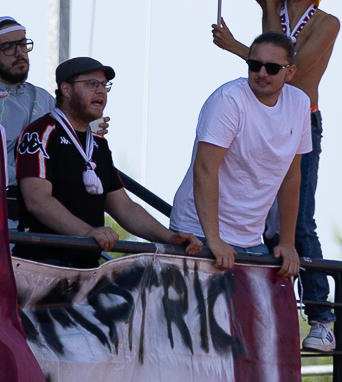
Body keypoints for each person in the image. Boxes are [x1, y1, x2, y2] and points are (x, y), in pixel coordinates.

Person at [210, 0, 341, 350]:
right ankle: (269, 309)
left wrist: (237, 49)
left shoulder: (327, 23)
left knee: (297, 221)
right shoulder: (272, 2)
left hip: (299, 121)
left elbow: (295, 73)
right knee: (259, 221)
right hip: (257, 116)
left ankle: (321, 320)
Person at [14, 56, 202, 270]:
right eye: (92, 84)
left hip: (86, 268)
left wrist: (169, 237)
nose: (101, 91)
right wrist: (87, 232)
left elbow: (124, 207)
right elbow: (37, 200)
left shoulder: (98, 144)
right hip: (43, 265)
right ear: (66, 89)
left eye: (104, 85)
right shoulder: (40, 132)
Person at [169, 32, 310, 283]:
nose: (262, 73)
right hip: (200, 234)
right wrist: (213, 239)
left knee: (249, 321)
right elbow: (204, 168)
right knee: (197, 321)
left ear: (290, 73)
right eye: (254, 65)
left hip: (251, 240)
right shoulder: (229, 99)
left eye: (272, 67)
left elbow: (292, 176)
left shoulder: (299, 103)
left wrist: (287, 242)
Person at [0, 16, 54, 183]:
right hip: (2, 201)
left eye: (23, 44)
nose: (20, 53)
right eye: (8, 47)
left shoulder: (44, 98)